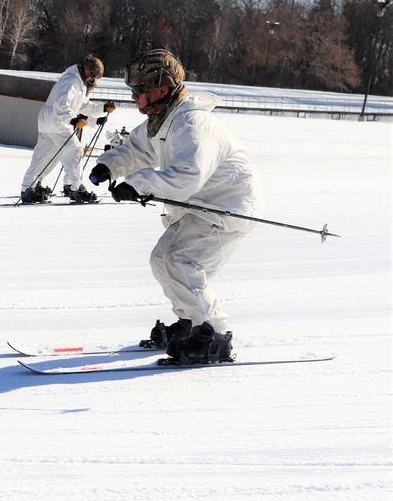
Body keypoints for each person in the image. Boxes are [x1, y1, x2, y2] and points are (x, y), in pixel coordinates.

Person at [88, 49, 264, 364]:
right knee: (161, 259)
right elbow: (135, 150)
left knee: (182, 262)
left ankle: (214, 335)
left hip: (227, 207)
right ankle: (189, 323)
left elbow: (188, 175)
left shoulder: (193, 124)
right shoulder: (161, 121)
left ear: (162, 89)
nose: (134, 97)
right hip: (200, 206)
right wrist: (109, 167)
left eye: (139, 91)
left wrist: (138, 185)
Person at [20, 55, 115, 204]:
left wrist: (100, 112)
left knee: (45, 156)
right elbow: (61, 104)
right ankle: (75, 188)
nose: (93, 80)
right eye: (93, 76)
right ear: (87, 69)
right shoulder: (72, 80)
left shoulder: (79, 82)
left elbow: (83, 106)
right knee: (75, 149)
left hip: (49, 121)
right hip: (57, 122)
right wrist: (73, 120)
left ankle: (28, 187)